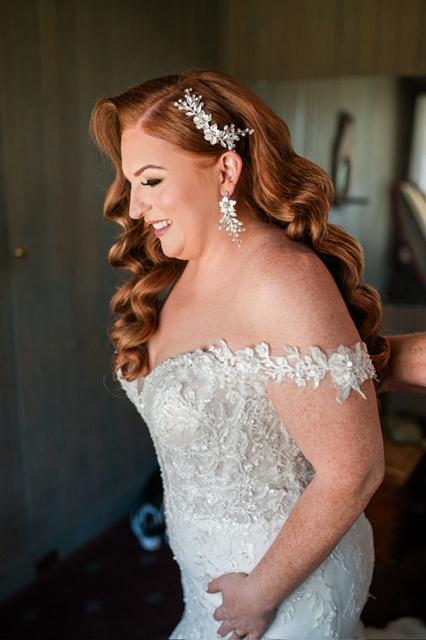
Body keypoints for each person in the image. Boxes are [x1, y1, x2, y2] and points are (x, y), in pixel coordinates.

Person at [90, 69, 426, 640]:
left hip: (280, 589)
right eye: (130, 183)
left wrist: (260, 594)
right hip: (210, 577)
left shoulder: (281, 279)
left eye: (150, 180)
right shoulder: (187, 270)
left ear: (226, 170)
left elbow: (355, 470)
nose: (136, 206)